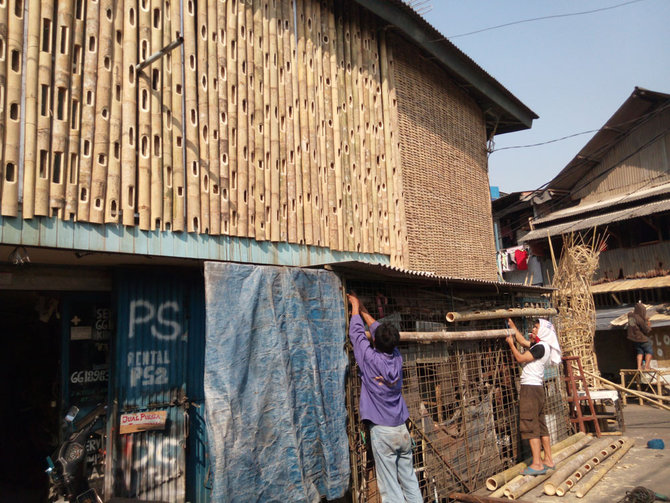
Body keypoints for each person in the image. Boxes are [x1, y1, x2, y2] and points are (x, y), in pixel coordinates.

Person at [347, 292, 423, 503]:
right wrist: (363, 310)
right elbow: (377, 332)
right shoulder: (397, 357)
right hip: (401, 429)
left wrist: (354, 307)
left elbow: (356, 335)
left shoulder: (369, 359)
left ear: (376, 343)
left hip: (383, 432)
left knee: (390, 489)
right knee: (409, 481)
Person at [506, 318, 562, 476]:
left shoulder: (540, 347)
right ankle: (548, 460)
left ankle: (537, 463)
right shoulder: (541, 346)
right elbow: (523, 341)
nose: (534, 330)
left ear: (543, 331)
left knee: (530, 424)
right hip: (537, 389)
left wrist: (510, 344)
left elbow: (520, 358)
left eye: (536, 328)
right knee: (540, 425)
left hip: (530, 389)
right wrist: (513, 326)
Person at [627, 301, 653, 370]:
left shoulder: (630, 316)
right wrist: (648, 326)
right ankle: (647, 367)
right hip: (641, 338)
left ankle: (639, 367)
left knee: (640, 352)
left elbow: (631, 314)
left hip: (634, 339)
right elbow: (646, 330)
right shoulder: (640, 319)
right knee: (649, 351)